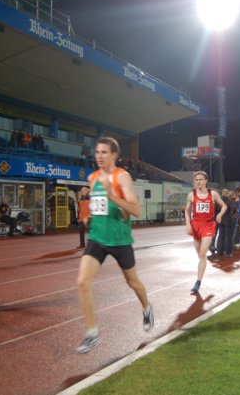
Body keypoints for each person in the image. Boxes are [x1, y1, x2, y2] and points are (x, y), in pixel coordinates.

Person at [75, 137, 154, 354]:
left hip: (120, 239)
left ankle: (147, 308)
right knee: (82, 281)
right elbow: (99, 207)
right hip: (97, 237)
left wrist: (112, 195)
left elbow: (136, 210)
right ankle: (92, 333)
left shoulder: (122, 177)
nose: (99, 156)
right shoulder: (92, 178)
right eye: (97, 152)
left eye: (104, 152)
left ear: (114, 155)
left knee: (133, 283)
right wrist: (90, 218)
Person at [184, 171, 226, 293]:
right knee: (201, 257)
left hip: (208, 225)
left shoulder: (213, 194)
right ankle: (203, 265)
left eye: (200, 179)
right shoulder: (191, 195)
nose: (198, 182)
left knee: (203, 253)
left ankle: (198, 282)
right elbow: (187, 211)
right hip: (196, 225)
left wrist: (219, 215)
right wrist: (188, 224)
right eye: (196, 180)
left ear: (206, 181)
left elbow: (224, 206)